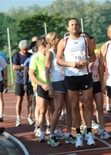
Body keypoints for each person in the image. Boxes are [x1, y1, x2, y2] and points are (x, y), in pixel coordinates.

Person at [57, 18, 96, 148]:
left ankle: (89, 132)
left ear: (79, 26)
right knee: (74, 105)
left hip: (85, 75)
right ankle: (78, 134)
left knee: (88, 103)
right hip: (71, 76)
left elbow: (93, 56)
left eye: (76, 24)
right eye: (71, 25)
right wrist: (73, 64)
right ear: (67, 28)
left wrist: (86, 62)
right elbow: (58, 60)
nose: (74, 27)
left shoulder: (85, 40)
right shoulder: (64, 41)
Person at [45, 32, 76, 146]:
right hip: (57, 81)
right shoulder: (50, 53)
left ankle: (68, 134)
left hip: (67, 79)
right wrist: (49, 87)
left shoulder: (63, 50)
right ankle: (51, 135)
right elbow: (47, 70)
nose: (60, 38)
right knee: (58, 109)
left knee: (70, 108)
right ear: (52, 40)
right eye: (57, 37)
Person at [29, 37, 54, 143]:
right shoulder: (35, 58)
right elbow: (31, 74)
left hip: (52, 85)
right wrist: (41, 84)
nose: (47, 49)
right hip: (42, 86)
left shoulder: (50, 55)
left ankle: (55, 130)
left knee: (54, 110)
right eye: (45, 47)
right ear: (40, 47)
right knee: (42, 110)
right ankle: (42, 132)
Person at [13, 40, 34, 127]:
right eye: (23, 50)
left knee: (30, 99)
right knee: (19, 100)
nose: (25, 51)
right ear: (20, 49)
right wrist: (25, 67)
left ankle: (30, 116)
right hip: (20, 81)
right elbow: (14, 67)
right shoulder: (17, 56)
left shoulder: (31, 56)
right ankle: (18, 117)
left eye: (26, 49)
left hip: (29, 81)